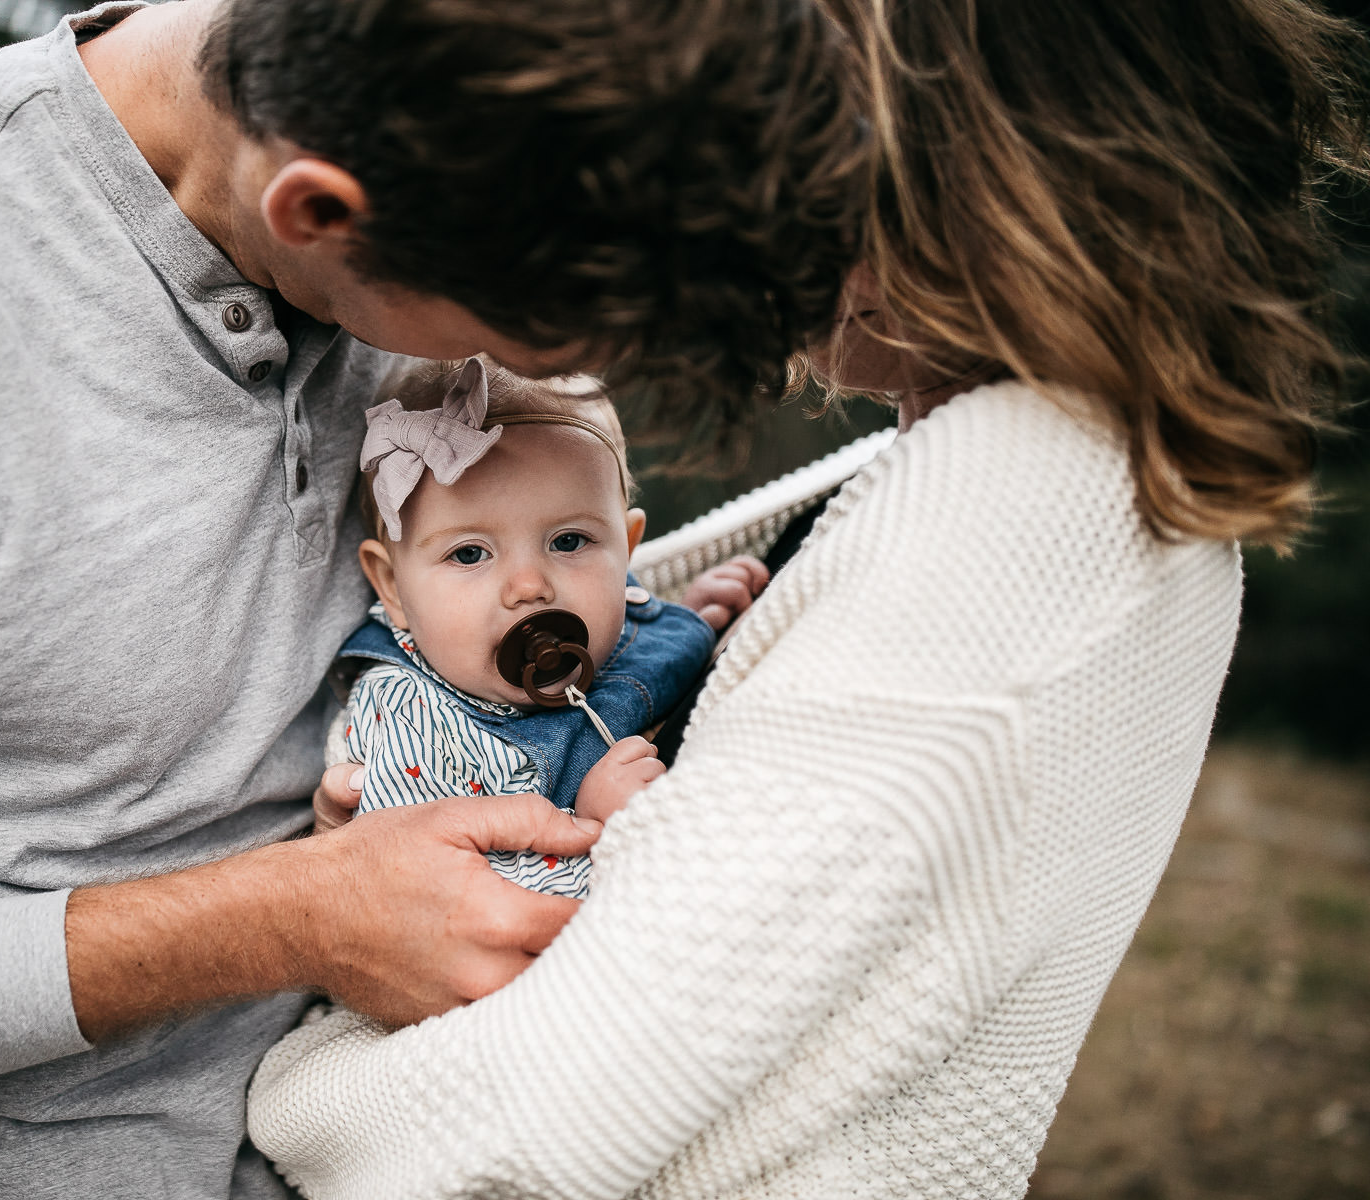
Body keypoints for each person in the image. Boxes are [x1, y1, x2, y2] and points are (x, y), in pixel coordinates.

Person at [0, 1, 867, 1196]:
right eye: (523, 347)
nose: (528, 384)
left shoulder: (487, 191)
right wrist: (296, 916)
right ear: (316, 214)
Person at [249, 1, 1370, 1196]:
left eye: (784, 139)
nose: (729, 203)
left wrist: (300, 1064)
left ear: (948, 184)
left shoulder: (1011, 531)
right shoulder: (994, 468)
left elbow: (516, 1131)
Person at [332, 355, 760, 898]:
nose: (529, 586)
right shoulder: (406, 722)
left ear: (625, 551)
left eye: (568, 542)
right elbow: (448, 907)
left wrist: (684, 620)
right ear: (392, 587)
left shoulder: (613, 616)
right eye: (469, 553)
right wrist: (591, 828)